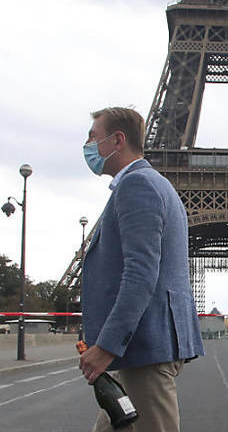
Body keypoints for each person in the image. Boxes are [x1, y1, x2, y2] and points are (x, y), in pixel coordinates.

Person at [77, 107, 205, 432]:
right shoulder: (153, 184)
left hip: (145, 349)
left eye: (93, 137)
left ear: (117, 140)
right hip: (142, 348)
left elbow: (141, 273)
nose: (88, 145)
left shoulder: (137, 185)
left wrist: (107, 346)